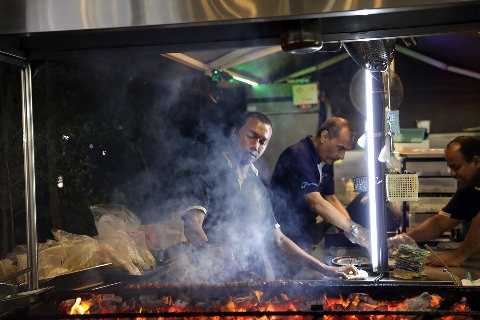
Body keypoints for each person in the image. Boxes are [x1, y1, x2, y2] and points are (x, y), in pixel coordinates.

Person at [181, 111, 358, 280]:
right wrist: (209, 250)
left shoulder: (257, 185)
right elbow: (192, 223)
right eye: (251, 136)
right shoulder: (211, 172)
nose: (256, 146)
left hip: (250, 283)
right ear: (234, 134)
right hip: (214, 281)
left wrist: (325, 269)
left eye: (263, 142)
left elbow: (278, 239)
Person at [269, 117, 370, 254]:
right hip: (284, 238)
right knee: (287, 275)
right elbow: (315, 202)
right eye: (340, 148)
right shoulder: (298, 156)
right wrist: (355, 231)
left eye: (345, 151)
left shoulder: (324, 160)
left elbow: (331, 199)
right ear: (324, 136)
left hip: (304, 236)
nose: (342, 156)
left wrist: (356, 232)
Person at [388, 136, 480, 267]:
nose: (452, 173)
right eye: (450, 168)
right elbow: (440, 222)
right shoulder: (470, 188)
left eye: (456, 167)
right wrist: (402, 239)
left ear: (476, 161)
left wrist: (458, 257)